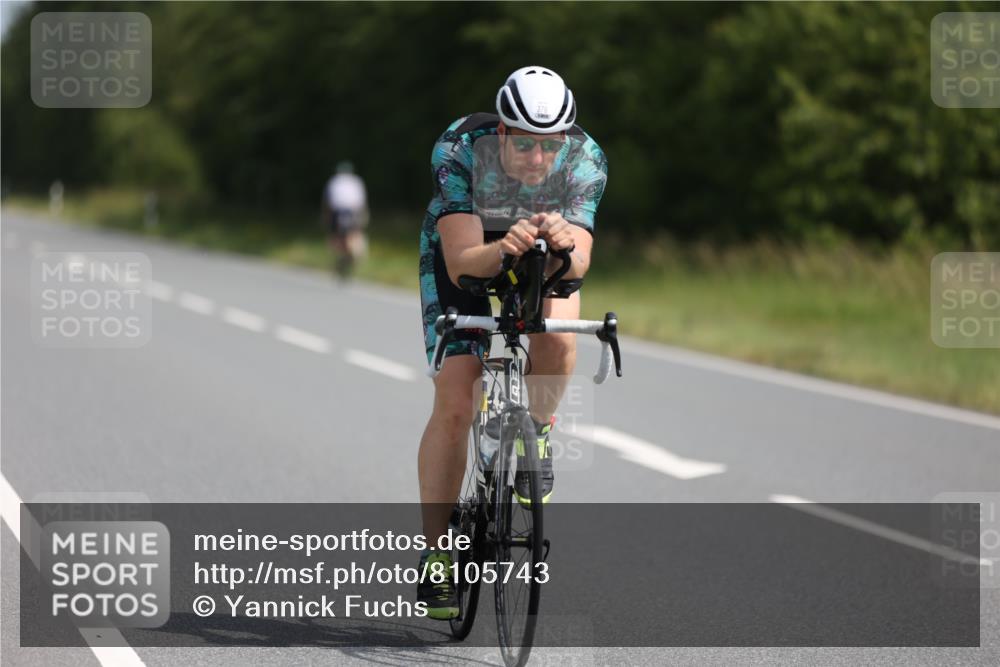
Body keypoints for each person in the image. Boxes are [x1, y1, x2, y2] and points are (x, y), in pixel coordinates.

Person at [416, 66, 608, 618]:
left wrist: (567, 246)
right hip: (470, 251)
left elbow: (582, 265)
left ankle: (538, 436)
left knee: (561, 341)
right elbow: (460, 262)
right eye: (524, 145)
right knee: (456, 397)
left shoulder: (586, 157)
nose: (537, 160)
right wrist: (506, 248)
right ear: (501, 133)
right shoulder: (459, 147)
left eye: (549, 147)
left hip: (545, 250)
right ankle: (437, 557)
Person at [321, 161, 369, 278]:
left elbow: (327, 202)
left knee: (336, 238)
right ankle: (352, 257)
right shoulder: (356, 181)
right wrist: (364, 216)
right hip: (353, 212)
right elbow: (361, 202)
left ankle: (340, 260)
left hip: (337, 212)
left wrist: (326, 217)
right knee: (354, 235)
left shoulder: (333, 181)